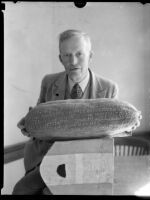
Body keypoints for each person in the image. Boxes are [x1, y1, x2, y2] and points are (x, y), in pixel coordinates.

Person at [12, 29, 136, 195]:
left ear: (90, 55)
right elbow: (39, 118)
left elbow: (111, 127)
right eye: (67, 55)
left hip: (88, 163)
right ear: (60, 58)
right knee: (20, 190)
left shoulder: (108, 88)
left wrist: (129, 125)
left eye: (79, 54)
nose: (73, 61)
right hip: (49, 158)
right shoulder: (49, 82)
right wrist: (28, 126)